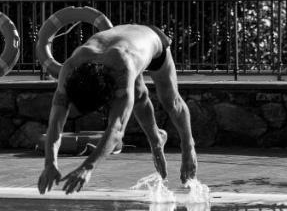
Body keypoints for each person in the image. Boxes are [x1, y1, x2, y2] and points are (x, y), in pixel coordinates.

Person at [37, 24, 197, 195]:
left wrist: (87, 167)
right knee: (138, 95)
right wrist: (50, 163)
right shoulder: (70, 68)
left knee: (170, 101)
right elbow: (55, 122)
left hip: (152, 41)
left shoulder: (123, 68)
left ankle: (189, 145)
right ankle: (156, 140)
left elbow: (116, 129)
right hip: (123, 42)